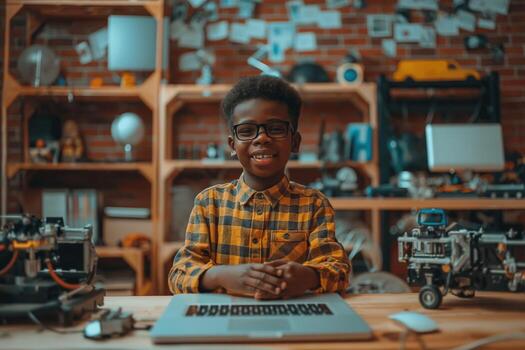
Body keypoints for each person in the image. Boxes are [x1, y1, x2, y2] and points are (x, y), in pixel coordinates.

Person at [168, 76, 350, 299]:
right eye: (246, 130)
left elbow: (339, 270)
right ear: (232, 145)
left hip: (294, 317)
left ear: (295, 142)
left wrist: (309, 276)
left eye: (275, 128)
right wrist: (221, 276)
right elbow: (179, 274)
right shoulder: (209, 203)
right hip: (224, 318)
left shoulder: (314, 204)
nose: (262, 138)